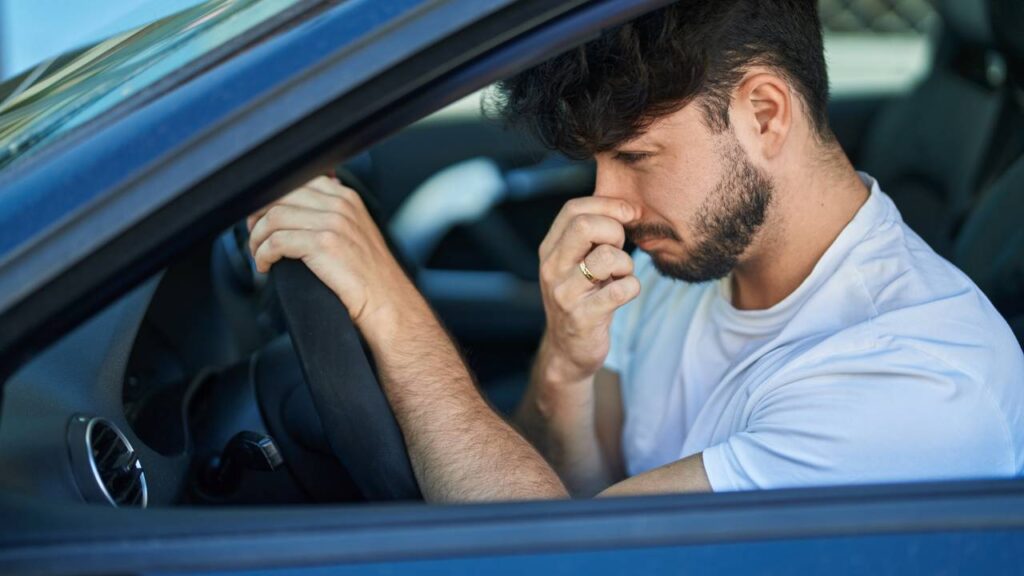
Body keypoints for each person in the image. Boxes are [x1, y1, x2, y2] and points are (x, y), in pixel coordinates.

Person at [246, 0, 1024, 502]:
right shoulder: (688, 259)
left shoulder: (912, 383)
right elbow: (576, 484)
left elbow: (554, 560)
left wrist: (390, 310)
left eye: (637, 157)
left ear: (763, 113)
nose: (607, 203)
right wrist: (565, 366)